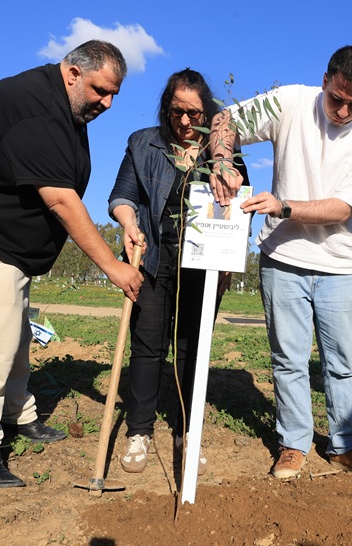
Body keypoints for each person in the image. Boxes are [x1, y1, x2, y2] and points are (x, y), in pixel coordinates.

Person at [0, 40, 144, 488]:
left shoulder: (66, 106)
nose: (108, 102)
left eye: (115, 94)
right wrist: (113, 268)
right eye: (101, 90)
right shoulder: (34, 106)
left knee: (15, 332)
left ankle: (16, 414)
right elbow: (61, 199)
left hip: (7, 244)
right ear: (73, 73)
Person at [208, 45, 352, 480]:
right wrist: (221, 158)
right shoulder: (290, 101)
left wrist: (283, 206)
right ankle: (294, 443)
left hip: (339, 266)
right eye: (337, 98)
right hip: (282, 259)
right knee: (288, 359)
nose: (344, 110)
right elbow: (224, 119)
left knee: (341, 362)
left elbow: (343, 209)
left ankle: (346, 445)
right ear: (325, 79)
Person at [107, 69, 248, 475]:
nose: (185, 122)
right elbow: (122, 195)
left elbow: (240, 210)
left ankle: (189, 432)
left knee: (192, 348)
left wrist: (228, 262)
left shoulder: (222, 148)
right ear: (165, 108)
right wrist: (128, 222)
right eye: (176, 112)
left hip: (202, 264)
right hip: (151, 259)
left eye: (193, 113)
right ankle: (139, 431)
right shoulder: (143, 142)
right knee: (148, 345)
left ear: (208, 111)